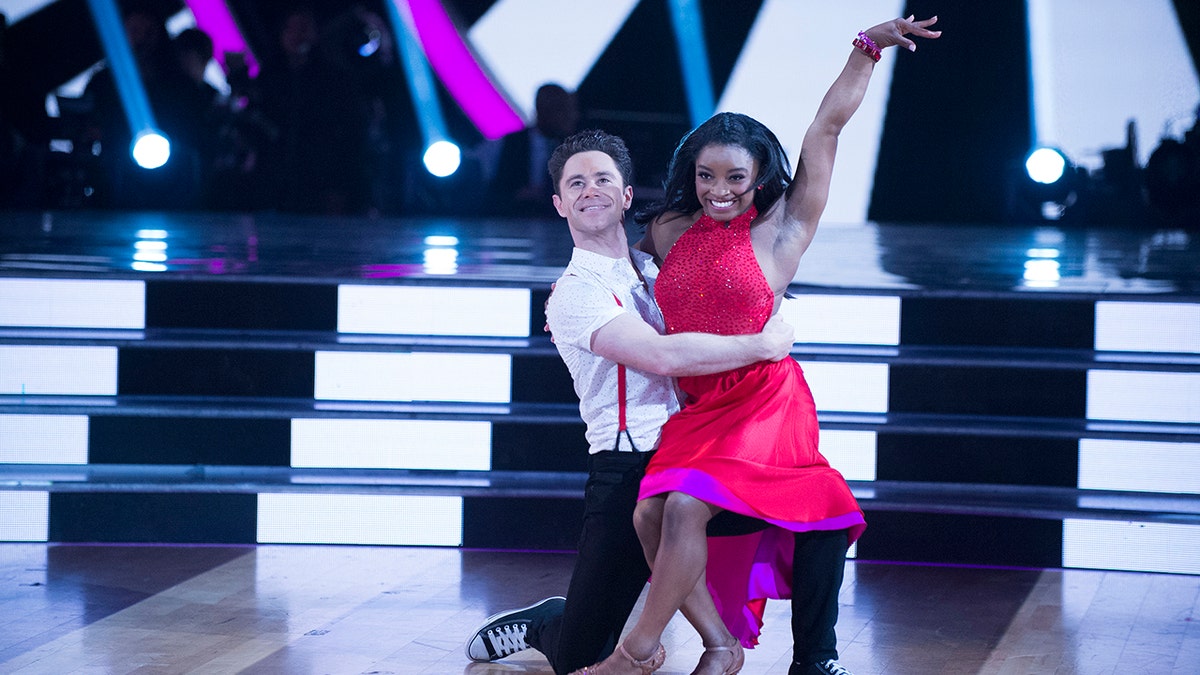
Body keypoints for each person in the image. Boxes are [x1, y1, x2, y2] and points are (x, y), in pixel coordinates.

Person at [571, 16, 942, 675]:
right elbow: (614, 268)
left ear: (761, 173)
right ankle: (720, 645)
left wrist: (868, 48)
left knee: (684, 505)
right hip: (698, 402)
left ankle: (634, 655)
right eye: (707, 176)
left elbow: (825, 127)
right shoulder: (666, 228)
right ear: (692, 171)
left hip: (765, 398)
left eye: (735, 178)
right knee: (649, 515)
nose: (720, 190)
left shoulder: (784, 225)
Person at [464, 129, 796, 675]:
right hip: (625, 470)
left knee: (797, 517)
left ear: (625, 196)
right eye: (576, 183)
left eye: (603, 180)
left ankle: (723, 644)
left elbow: (738, 288)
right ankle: (549, 620)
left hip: (693, 456)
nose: (590, 191)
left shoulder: (651, 269)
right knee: (578, 656)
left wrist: (783, 309)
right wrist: (763, 345)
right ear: (559, 203)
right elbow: (662, 357)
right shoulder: (575, 291)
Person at [484, 83, 582, 217]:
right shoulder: (509, 144)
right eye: (561, 109)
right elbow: (492, 190)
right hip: (514, 220)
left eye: (572, 109)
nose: (571, 116)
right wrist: (518, 195)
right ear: (542, 110)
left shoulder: (577, 148)